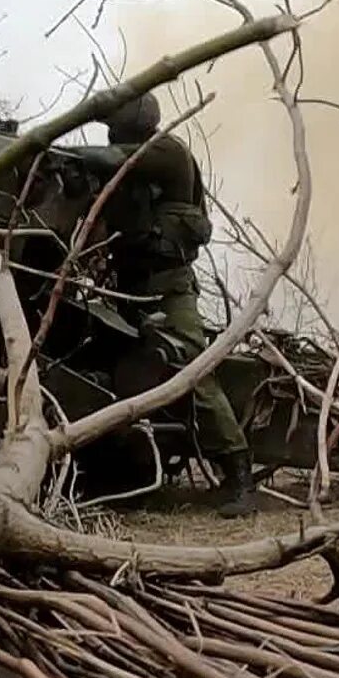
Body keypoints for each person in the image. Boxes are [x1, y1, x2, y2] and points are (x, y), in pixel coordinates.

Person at [96, 92, 255, 517]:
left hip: (170, 288)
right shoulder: (132, 171)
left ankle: (239, 474)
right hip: (128, 291)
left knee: (192, 370)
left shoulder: (165, 152)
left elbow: (112, 159)